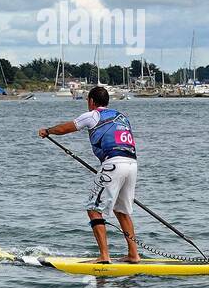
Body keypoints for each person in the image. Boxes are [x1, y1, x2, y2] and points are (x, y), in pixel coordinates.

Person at [38, 85, 140, 264]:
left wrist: (48, 131)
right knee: (122, 211)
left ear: (91, 101)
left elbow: (66, 128)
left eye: (88, 100)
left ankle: (104, 256)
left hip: (113, 164)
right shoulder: (121, 116)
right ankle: (134, 255)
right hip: (132, 164)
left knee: (93, 209)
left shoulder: (93, 114)